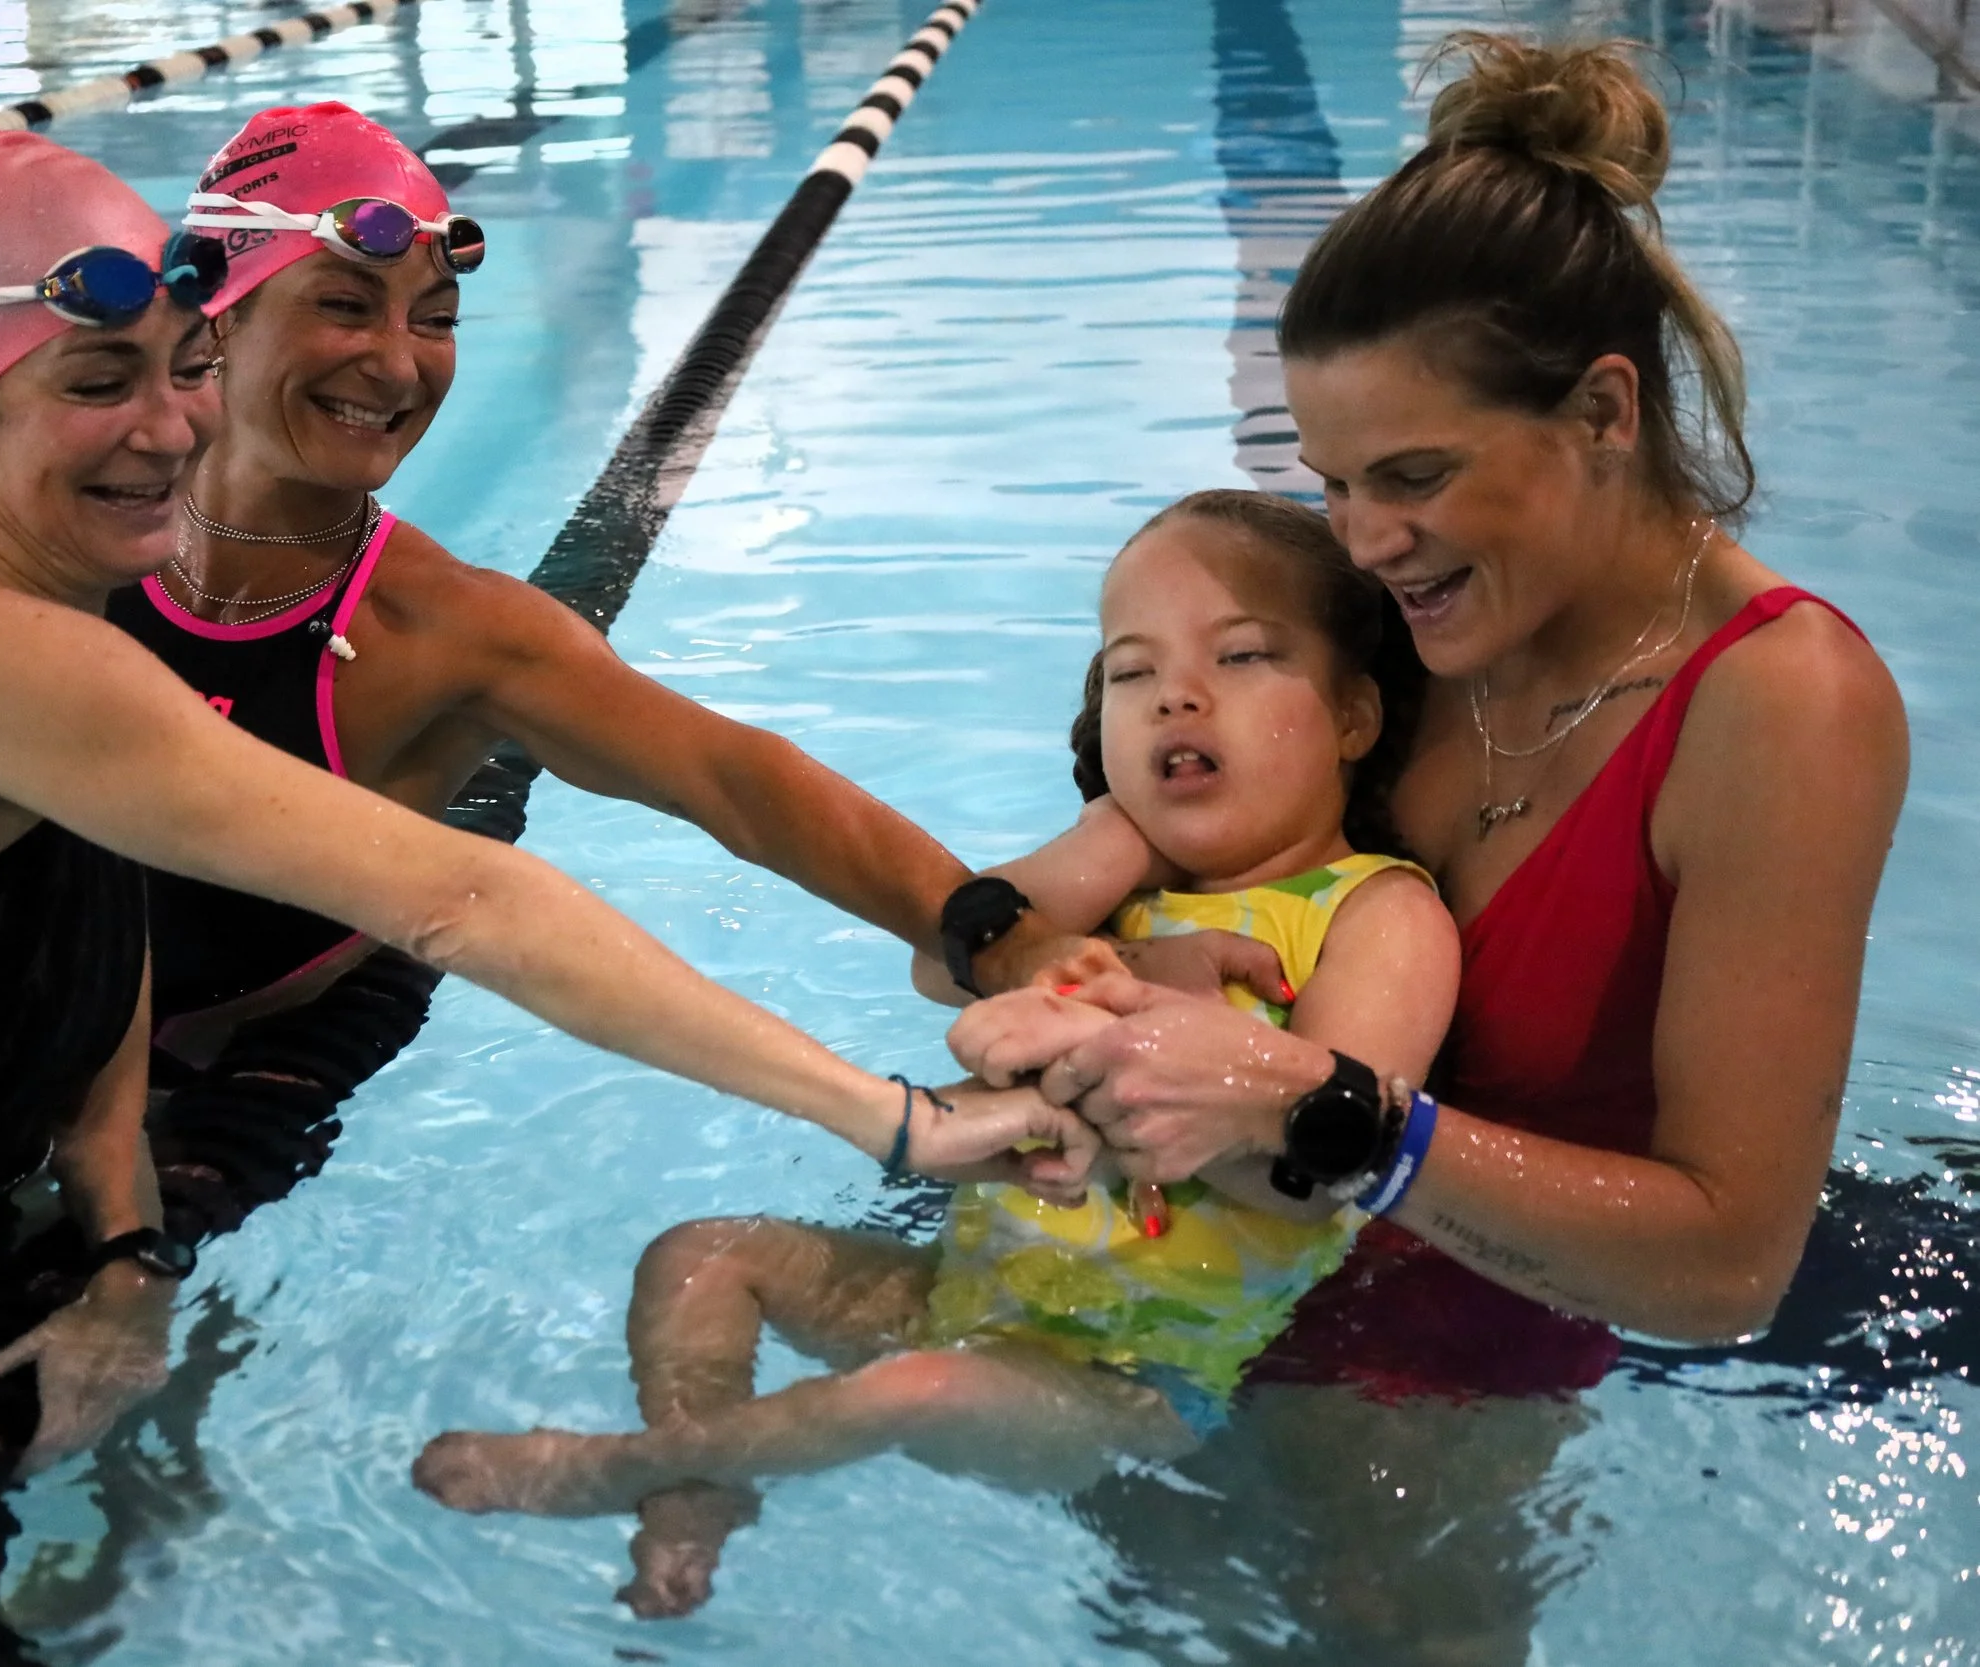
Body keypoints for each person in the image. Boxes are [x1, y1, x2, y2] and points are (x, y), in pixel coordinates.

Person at [0, 130, 1095, 1667]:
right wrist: (888, 1115)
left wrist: (127, 1252)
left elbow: (82, 958)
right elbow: (466, 899)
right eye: (97, 381)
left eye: (176, 367)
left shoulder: (78, 614)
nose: (166, 425)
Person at [944, 33, 1908, 1656]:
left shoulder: (1781, 706)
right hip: (1163, 1288)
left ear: (1605, 411)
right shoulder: (1414, 621)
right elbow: (1087, 860)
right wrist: (1075, 954)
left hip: (1425, 1408)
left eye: (1413, 476)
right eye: (1331, 483)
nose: (1366, 542)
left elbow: (1730, 1263)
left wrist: (1327, 1114)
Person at [107, 103, 1181, 1246]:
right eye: (344, 305)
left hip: (245, 1068)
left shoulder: (448, 631)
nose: (399, 362)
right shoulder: (75, 541)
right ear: (210, 315)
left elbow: (732, 777)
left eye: (436, 319)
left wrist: (999, 935)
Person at [412, 491, 1463, 1619]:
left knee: (913, 1388)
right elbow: (946, 955)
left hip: (1128, 1378)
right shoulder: (1122, 892)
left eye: (1242, 655)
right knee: (701, 1252)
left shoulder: (1378, 915)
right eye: (1127, 672)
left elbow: (1322, 1180)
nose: (1177, 694)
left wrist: (1123, 1068)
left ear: (1355, 715)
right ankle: (699, 1477)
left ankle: (616, 1467)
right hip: (962, 1292)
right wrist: (1108, 843)